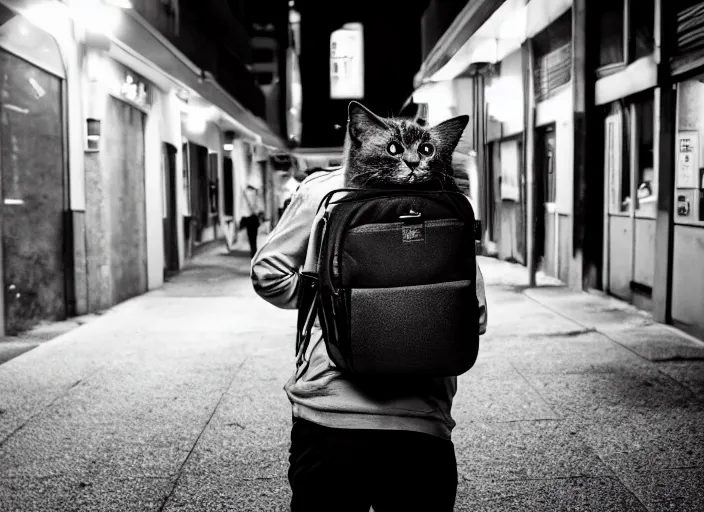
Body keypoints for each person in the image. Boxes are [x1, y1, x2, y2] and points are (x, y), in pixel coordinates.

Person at [251, 169, 488, 511]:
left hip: (327, 416)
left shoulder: (325, 189)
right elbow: (475, 317)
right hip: (422, 423)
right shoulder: (440, 190)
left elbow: (267, 275)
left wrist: (334, 299)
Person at [241, 184, 264, 258]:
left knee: (250, 237)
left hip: (248, 218)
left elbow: (242, 208)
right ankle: (254, 251)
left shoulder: (245, 194)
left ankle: (253, 251)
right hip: (254, 218)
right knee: (254, 237)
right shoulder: (256, 194)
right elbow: (260, 207)